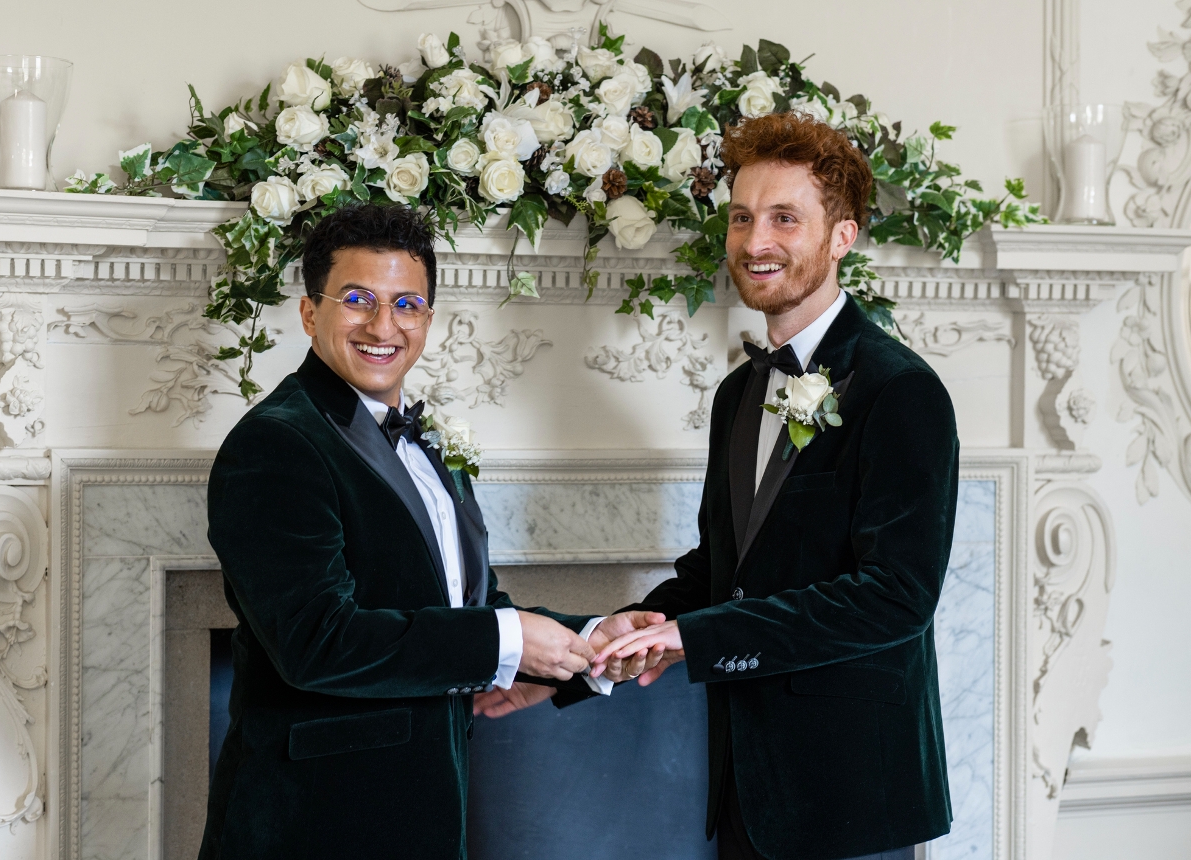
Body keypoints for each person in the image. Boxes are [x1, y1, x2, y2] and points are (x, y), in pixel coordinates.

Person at [200, 203, 658, 859]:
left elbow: (465, 611)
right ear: (309, 313)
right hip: (313, 822)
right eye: (357, 300)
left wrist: (586, 641)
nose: (384, 325)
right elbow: (316, 641)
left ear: (428, 320)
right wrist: (503, 641)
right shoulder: (278, 444)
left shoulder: (427, 437)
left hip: (419, 810)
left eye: (407, 304)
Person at [578, 112, 958, 860]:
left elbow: (896, 596)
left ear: (841, 236)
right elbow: (723, 572)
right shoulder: (736, 395)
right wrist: (623, 630)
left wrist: (698, 637)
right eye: (743, 217)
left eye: (786, 218)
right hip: (748, 789)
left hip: (855, 794)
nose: (756, 243)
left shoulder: (902, 391)